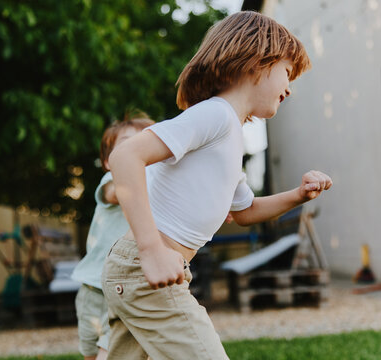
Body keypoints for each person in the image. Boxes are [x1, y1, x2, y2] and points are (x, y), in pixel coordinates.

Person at [103, 11, 333, 360]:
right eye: (287, 73)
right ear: (256, 63)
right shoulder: (215, 115)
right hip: (145, 265)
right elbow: (124, 158)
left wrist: (298, 195)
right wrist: (151, 250)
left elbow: (245, 211)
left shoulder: (229, 135)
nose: (289, 88)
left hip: (142, 270)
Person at [70, 113, 155, 360]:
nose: (138, 148)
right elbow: (115, 193)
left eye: (145, 142)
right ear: (108, 161)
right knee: (90, 353)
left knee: (111, 352)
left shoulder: (157, 184)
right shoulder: (113, 178)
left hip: (125, 290)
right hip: (93, 289)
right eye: (129, 142)